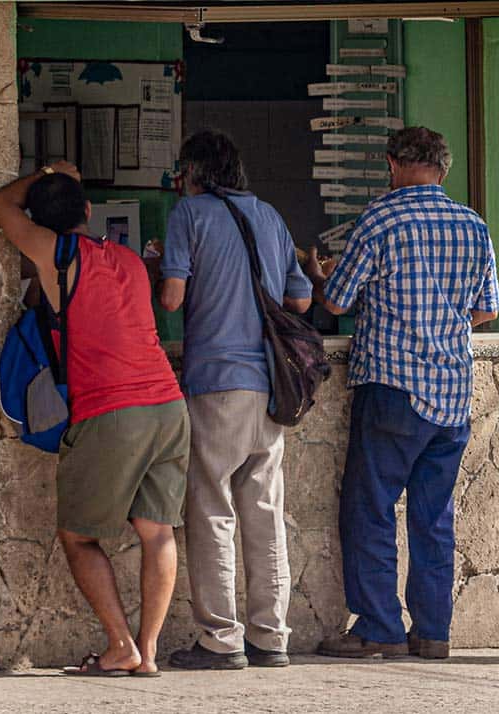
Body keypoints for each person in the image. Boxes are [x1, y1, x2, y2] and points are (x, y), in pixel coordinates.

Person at [303, 127, 499, 660]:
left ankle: (379, 628)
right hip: (453, 392)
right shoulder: (473, 225)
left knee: (370, 509)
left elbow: (340, 302)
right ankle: (433, 632)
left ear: (392, 164)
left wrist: (315, 274)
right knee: (433, 517)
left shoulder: (382, 217)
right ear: (445, 167)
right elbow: (486, 310)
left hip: (393, 387)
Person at [0, 162, 189, 677]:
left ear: (43, 222)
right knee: (157, 530)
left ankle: (121, 643)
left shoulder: (57, 256)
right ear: (87, 211)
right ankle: (147, 651)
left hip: (112, 409)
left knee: (78, 537)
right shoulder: (127, 258)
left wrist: (44, 173)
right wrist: (69, 183)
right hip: (169, 405)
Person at [159, 131, 312, 670]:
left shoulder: (189, 214)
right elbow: (299, 297)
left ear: (195, 172)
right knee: (264, 512)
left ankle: (220, 640)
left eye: (181, 171)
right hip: (269, 384)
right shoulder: (269, 216)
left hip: (216, 380)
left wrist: (168, 269)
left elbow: (173, 296)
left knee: (211, 510)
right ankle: (271, 638)